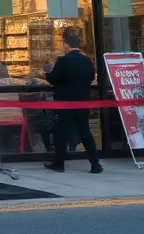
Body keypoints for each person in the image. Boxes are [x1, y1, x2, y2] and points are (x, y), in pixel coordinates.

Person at [43, 29, 103, 174]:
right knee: (84, 130)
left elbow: (53, 78)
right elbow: (90, 77)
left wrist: (45, 74)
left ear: (66, 45)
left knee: (61, 132)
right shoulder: (87, 60)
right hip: (83, 101)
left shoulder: (63, 61)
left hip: (65, 102)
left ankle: (59, 163)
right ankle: (95, 163)